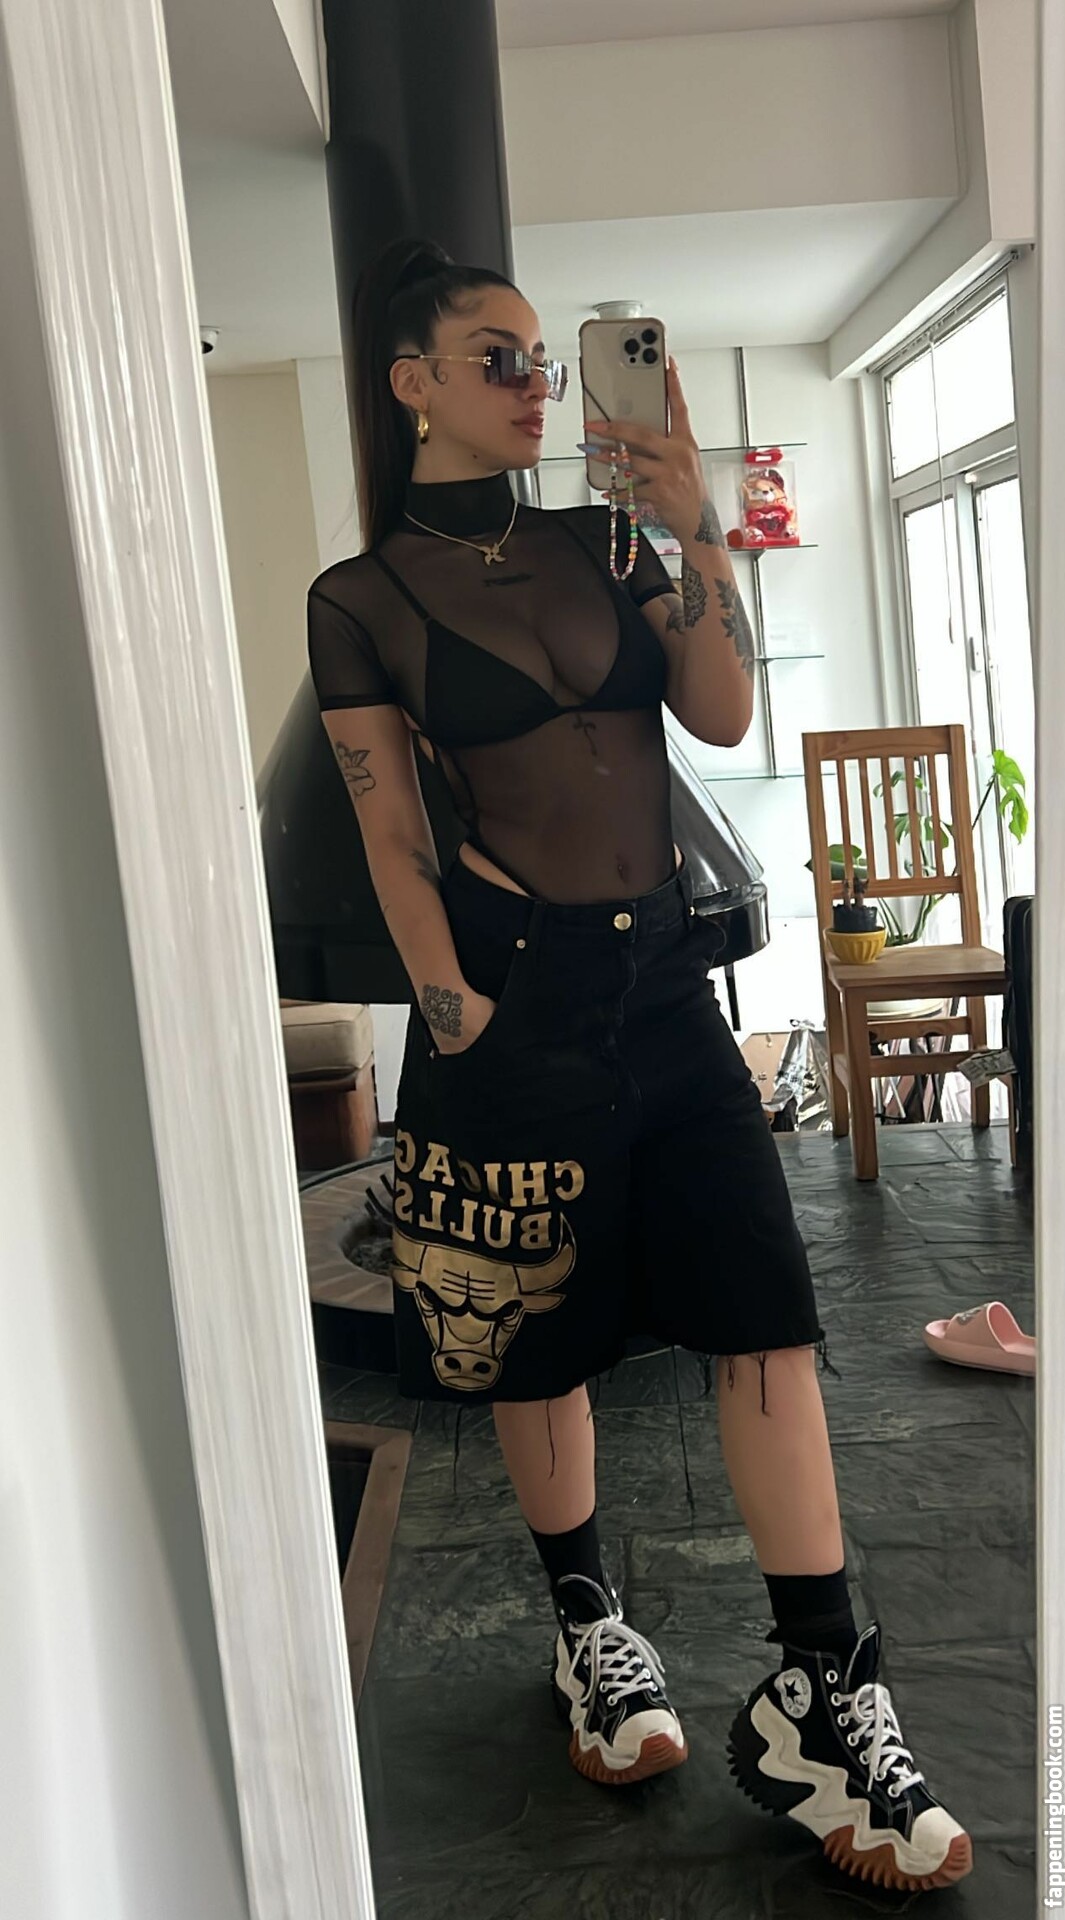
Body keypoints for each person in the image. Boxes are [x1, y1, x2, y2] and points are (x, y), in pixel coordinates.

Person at [307, 236, 972, 1894]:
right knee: (539, 1337)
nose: (537, 384)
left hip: (665, 982)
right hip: (512, 994)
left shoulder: (605, 538)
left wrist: (697, 526)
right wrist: (454, 1012)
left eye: (544, 357)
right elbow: (392, 837)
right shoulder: (362, 600)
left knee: (765, 1316)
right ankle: (591, 1626)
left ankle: (823, 1687)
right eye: (499, 357)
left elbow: (723, 716)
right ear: (412, 385)